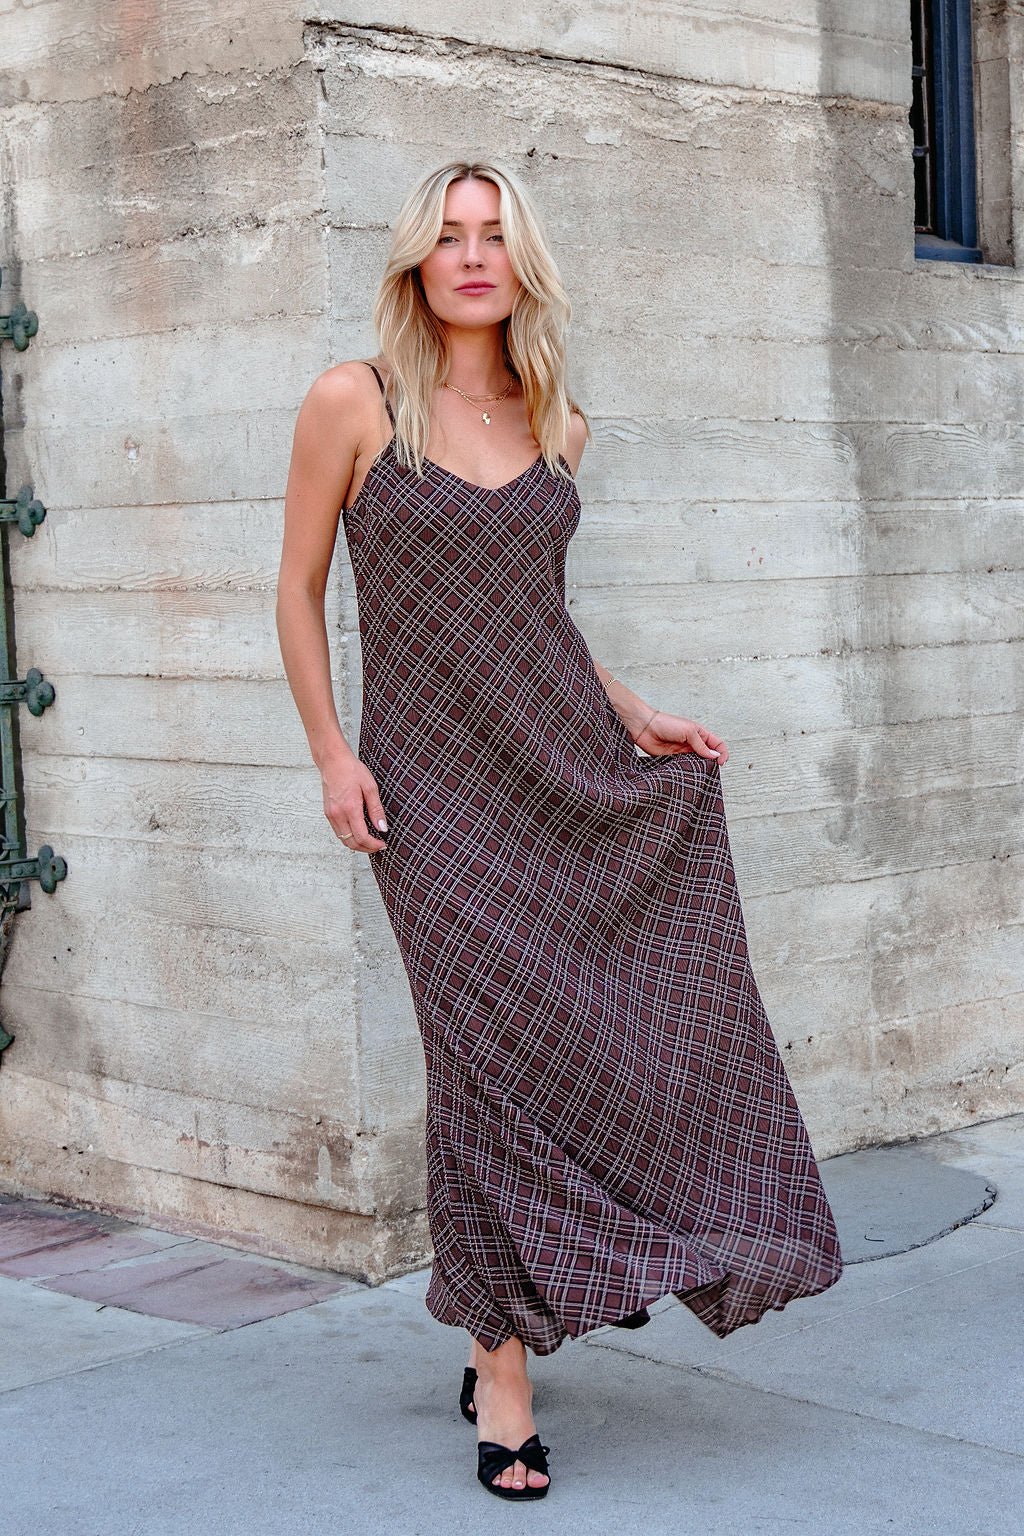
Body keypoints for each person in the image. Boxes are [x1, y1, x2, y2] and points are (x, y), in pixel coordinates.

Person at [276, 158, 843, 1503]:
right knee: (483, 1070)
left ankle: (543, 1303)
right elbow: (297, 594)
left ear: (522, 263)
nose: (473, 256)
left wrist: (636, 713)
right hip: (429, 795)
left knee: (617, 1042)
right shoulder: (352, 402)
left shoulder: (559, 422)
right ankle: (508, 1378)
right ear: (416, 259)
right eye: (449, 236)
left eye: (495, 236)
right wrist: (329, 753)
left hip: (562, 773)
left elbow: (536, 622)